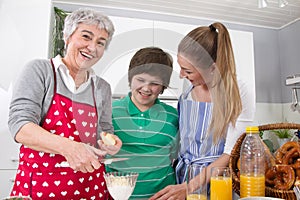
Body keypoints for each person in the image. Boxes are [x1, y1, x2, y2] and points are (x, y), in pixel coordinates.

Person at [8, 8, 122, 199]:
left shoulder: (102, 87)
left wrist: (109, 143)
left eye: (100, 43)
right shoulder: (40, 71)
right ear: (67, 37)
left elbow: (104, 129)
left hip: (91, 187)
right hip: (42, 186)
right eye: (86, 37)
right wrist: (70, 147)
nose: (92, 48)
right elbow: (20, 127)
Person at [150, 22, 256, 199]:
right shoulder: (187, 93)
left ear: (213, 68)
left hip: (219, 181)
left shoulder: (238, 90)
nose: (181, 75)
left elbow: (231, 152)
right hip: (184, 178)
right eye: (181, 67)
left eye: (188, 71)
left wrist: (190, 187)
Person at [106, 47, 179, 199]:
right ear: (130, 78)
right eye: (140, 80)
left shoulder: (173, 116)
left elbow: (175, 156)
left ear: (163, 86)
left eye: (154, 83)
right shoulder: (109, 112)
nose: (146, 88)